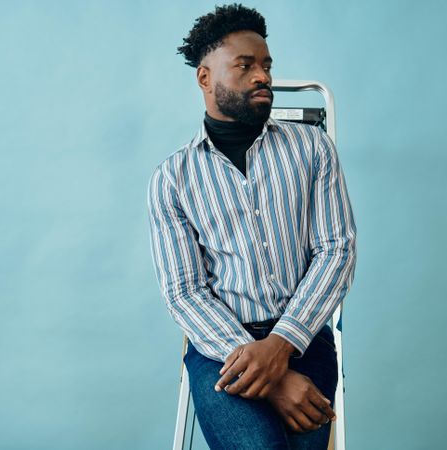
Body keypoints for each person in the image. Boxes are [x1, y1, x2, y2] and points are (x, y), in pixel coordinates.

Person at [147, 4, 357, 449]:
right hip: (219, 350)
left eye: (266, 65)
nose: (263, 76)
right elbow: (184, 291)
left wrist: (281, 346)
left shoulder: (313, 149)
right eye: (245, 66)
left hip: (303, 338)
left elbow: (336, 250)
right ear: (205, 78)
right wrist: (270, 377)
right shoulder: (172, 179)